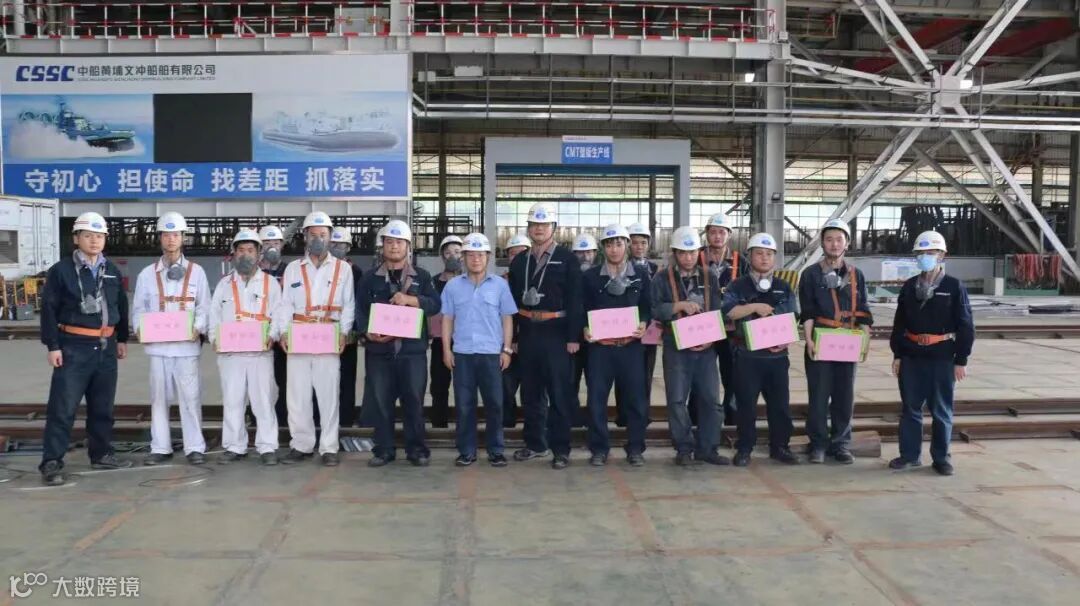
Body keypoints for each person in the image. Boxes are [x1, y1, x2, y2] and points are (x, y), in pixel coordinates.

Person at [38, 212, 131, 486]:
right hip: (73, 347)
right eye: (88, 236)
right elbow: (49, 310)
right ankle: (52, 461)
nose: (94, 241)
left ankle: (101, 454)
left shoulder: (111, 269)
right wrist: (53, 346)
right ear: (76, 238)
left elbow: (120, 306)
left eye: (99, 236)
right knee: (63, 407)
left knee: (103, 407)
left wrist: (122, 339)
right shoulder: (61, 271)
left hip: (106, 347)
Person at [356, 220, 441, 467]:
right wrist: (367, 333)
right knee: (381, 402)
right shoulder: (369, 279)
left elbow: (435, 304)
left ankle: (417, 450)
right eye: (389, 242)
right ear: (382, 246)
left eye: (399, 242)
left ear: (408, 247)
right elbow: (360, 311)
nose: (394, 247)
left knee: (414, 401)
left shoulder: (422, 277)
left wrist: (412, 300)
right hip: (379, 353)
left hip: (411, 352)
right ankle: (384, 450)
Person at [889, 230, 974, 476]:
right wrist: (898, 355)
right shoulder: (909, 287)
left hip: (942, 357)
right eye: (921, 253)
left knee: (941, 410)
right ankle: (909, 455)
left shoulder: (954, 287)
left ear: (942, 255)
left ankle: (941, 458)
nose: (925, 257)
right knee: (910, 408)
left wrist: (961, 359)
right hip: (912, 356)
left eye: (931, 252)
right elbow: (899, 324)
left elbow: (966, 325)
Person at [274, 211, 355, 467]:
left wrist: (344, 332)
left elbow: (349, 304)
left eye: (323, 234)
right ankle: (301, 444)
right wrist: (283, 331)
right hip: (299, 335)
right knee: (297, 395)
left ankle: (329, 447)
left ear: (330, 237)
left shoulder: (343, 269)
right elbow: (285, 303)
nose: (318, 239)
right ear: (305, 237)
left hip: (328, 336)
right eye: (313, 235)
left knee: (328, 394)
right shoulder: (293, 269)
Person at [507, 202, 583, 469]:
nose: (539, 229)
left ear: (554, 228)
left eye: (544, 224)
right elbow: (512, 303)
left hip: (557, 333)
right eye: (534, 224)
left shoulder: (567, 259)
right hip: (528, 333)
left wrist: (573, 337)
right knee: (530, 393)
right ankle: (535, 444)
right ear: (528, 228)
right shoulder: (520, 261)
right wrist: (514, 338)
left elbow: (575, 299)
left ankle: (561, 449)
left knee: (559, 393)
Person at [132, 211, 210, 466]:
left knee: (190, 399)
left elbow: (204, 307)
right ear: (160, 238)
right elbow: (139, 309)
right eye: (166, 235)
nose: (171, 239)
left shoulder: (197, 272)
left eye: (175, 234)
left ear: (183, 237)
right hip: (158, 350)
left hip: (186, 349)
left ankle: (194, 447)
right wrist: (139, 329)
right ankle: (160, 447)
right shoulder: (147, 274)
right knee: (158, 400)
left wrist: (198, 327)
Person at [650, 226, 727, 466]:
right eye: (682, 252)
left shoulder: (709, 276)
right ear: (674, 253)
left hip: (706, 348)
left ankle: (708, 448)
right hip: (676, 348)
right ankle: (683, 448)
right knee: (676, 400)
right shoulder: (661, 278)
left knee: (711, 400)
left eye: (692, 252)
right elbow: (654, 308)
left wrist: (712, 338)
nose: (688, 257)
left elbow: (717, 309)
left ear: (699, 252)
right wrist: (677, 306)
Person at [799, 219, 873, 464]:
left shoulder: (856, 275)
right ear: (822, 243)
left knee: (844, 396)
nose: (834, 244)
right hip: (821, 339)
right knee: (819, 396)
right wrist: (809, 340)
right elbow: (807, 311)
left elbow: (863, 311)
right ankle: (818, 444)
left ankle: (840, 444)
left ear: (847, 243)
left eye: (839, 239)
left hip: (848, 341)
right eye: (829, 239)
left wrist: (865, 341)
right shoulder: (810, 274)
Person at [722, 232, 799, 467]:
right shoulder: (737, 285)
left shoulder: (783, 286)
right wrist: (755, 306)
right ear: (750, 256)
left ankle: (780, 446)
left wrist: (785, 340)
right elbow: (729, 311)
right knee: (746, 405)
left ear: (774, 257)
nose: (764, 258)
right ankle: (745, 448)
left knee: (780, 405)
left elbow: (793, 315)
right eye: (759, 253)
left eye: (769, 254)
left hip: (777, 356)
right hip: (747, 355)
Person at [440, 232, 517, 467]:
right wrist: (446, 350)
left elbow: (507, 318)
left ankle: (496, 450)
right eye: (471, 255)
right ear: (463, 258)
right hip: (462, 354)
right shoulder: (452, 286)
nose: (475, 259)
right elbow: (447, 319)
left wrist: (506, 350)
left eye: (480, 255)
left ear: (488, 257)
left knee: (495, 404)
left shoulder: (500, 285)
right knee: (464, 405)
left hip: (491, 354)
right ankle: (467, 451)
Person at [209, 229, 282, 465]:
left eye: (250, 250)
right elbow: (214, 315)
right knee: (233, 401)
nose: (245, 255)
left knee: (263, 401)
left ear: (259, 254)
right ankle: (234, 446)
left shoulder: (270, 284)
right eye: (241, 250)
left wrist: (273, 335)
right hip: (231, 354)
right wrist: (214, 337)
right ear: (234, 254)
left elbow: (279, 314)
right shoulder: (224, 284)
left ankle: (267, 446)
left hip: (260, 353)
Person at [582, 224, 651, 466]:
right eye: (609, 244)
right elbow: (582, 307)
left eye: (619, 244)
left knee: (636, 401)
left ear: (627, 246)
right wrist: (585, 327)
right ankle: (599, 449)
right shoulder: (590, 277)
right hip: (600, 350)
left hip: (630, 348)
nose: (614, 249)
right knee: (596, 400)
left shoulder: (640, 275)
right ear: (603, 248)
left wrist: (644, 322)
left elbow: (647, 305)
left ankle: (635, 448)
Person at [693, 212, 749, 427]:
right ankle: (696, 418)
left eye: (722, 232)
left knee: (732, 375)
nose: (717, 236)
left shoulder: (740, 262)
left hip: (731, 330)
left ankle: (731, 419)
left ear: (729, 235)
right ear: (707, 234)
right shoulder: (694, 257)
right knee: (699, 376)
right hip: (701, 328)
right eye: (713, 232)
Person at [617, 221, 658, 426]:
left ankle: (643, 414)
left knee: (646, 373)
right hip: (626, 328)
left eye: (643, 242)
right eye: (634, 242)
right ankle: (623, 415)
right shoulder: (620, 268)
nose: (639, 247)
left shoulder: (656, 269)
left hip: (650, 328)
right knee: (624, 373)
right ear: (627, 244)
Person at [328, 225, 363, 428]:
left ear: (348, 247)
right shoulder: (323, 270)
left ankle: (346, 421)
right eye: (334, 244)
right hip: (324, 333)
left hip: (348, 335)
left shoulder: (355, 272)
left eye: (342, 245)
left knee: (347, 380)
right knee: (325, 381)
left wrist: (354, 330)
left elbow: (357, 303)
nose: (337, 248)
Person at [500, 232, 535, 428]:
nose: (517, 257)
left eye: (522, 253)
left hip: (531, 342)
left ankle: (532, 428)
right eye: (513, 253)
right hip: (507, 344)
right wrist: (511, 340)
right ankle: (507, 424)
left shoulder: (538, 281)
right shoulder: (499, 283)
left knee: (532, 389)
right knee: (506, 387)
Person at [430, 235, 464, 428]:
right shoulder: (434, 282)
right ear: (442, 256)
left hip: (464, 341)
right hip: (440, 339)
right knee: (439, 385)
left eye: (457, 252)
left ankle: (463, 426)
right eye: (448, 252)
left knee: (464, 386)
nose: (453, 256)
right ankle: (439, 424)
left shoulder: (471, 281)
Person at [258, 224, 290, 426]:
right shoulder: (253, 272)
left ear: (282, 245)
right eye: (267, 243)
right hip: (259, 334)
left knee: (285, 379)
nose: (272, 247)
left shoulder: (291, 271)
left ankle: (283, 418)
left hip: (283, 336)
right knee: (259, 382)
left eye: (276, 243)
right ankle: (258, 419)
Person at [570, 232, 599, 427]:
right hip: (572, 339)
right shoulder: (567, 276)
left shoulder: (601, 276)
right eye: (580, 252)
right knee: (570, 380)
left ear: (595, 253)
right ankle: (572, 417)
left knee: (595, 382)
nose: (585, 256)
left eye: (589, 252)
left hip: (596, 339)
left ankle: (592, 419)